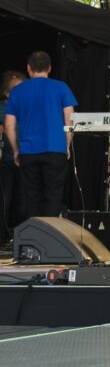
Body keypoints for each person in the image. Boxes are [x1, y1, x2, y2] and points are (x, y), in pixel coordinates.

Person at [3, 52, 77, 220]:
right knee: (53, 195)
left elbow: (9, 125)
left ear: (28, 68)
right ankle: (49, 234)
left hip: (28, 151)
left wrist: (16, 150)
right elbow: (70, 119)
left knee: (31, 197)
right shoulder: (61, 87)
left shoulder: (17, 91)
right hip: (55, 149)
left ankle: (33, 234)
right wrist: (66, 143)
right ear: (49, 68)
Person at [0, 70, 27, 241]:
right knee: (6, 199)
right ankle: (4, 236)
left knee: (23, 200)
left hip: (25, 160)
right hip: (6, 161)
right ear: (7, 93)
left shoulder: (28, 109)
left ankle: (20, 236)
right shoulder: (3, 108)